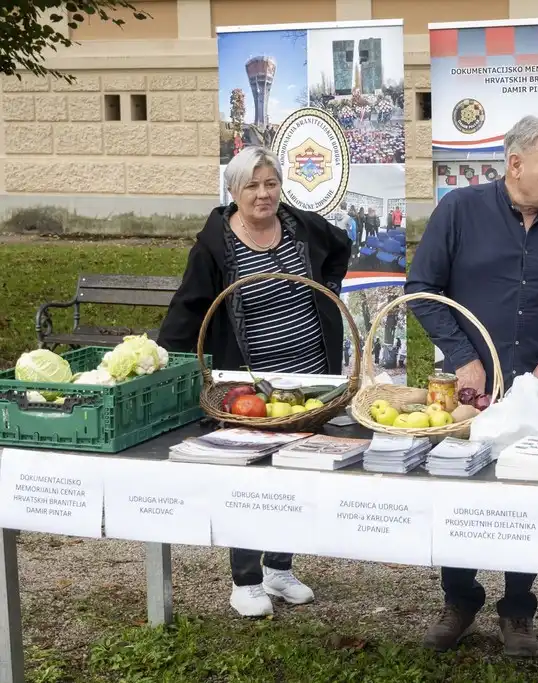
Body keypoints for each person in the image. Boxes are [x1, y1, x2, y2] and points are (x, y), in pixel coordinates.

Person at [406, 115, 538, 657]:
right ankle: (459, 599)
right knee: (457, 495)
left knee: (527, 496)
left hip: (535, 398)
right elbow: (422, 290)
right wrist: (463, 357)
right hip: (469, 394)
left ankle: (518, 609)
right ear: (515, 164)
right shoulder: (459, 211)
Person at [158, 145, 352, 618]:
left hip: (308, 377)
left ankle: (279, 569)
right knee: (247, 476)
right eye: (252, 185)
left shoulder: (301, 227)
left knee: (295, 472)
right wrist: (168, 358)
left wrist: (326, 297)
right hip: (247, 386)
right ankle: (245, 579)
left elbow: (340, 248)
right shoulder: (215, 245)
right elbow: (190, 306)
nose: (264, 194)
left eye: (271, 183)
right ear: (233, 191)